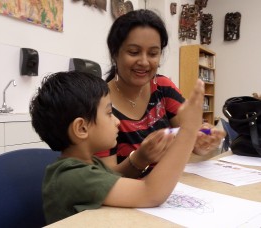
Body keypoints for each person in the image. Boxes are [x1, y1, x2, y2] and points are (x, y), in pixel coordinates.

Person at [29, 71, 205, 224]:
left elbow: (116, 181)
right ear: (81, 128)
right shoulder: (75, 176)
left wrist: (142, 157)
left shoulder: (89, 164)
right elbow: (151, 193)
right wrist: (188, 130)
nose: (117, 121)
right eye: (108, 113)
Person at [95, 9, 226, 175]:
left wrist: (201, 142)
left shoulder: (163, 87)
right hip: (127, 198)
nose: (144, 62)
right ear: (115, 53)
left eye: (153, 53)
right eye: (134, 52)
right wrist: (140, 158)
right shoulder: (99, 103)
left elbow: (191, 133)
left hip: (171, 189)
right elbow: (105, 180)